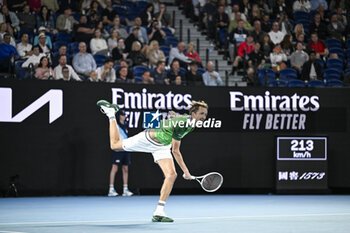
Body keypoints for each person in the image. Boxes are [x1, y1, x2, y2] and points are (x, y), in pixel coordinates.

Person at [96, 99, 209, 222]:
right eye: (201, 113)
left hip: (162, 146)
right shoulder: (184, 124)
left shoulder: (189, 122)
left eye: (205, 114)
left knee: (171, 175)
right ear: (194, 114)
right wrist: (186, 172)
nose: (204, 117)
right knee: (114, 145)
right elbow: (176, 151)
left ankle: (159, 212)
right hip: (148, 139)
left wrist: (175, 116)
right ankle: (111, 113)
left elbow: (180, 119)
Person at [108, 110, 134, 197]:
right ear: (119, 116)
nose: (124, 116)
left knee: (125, 169)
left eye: (124, 115)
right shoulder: (116, 125)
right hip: (118, 149)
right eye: (122, 115)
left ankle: (125, 189)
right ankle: (111, 189)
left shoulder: (126, 125)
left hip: (125, 149)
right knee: (114, 168)